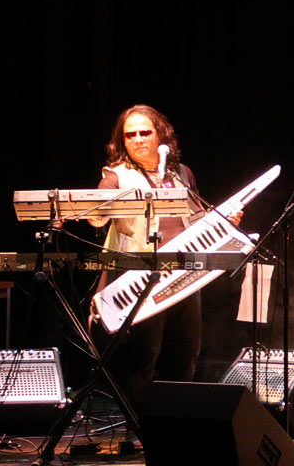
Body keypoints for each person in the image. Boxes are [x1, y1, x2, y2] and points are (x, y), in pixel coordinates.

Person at [87, 104, 236, 411]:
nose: (139, 139)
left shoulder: (181, 173)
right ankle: (140, 429)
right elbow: (95, 218)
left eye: (145, 132)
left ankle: (178, 423)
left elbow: (196, 219)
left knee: (186, 353)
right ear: (122, 141)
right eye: (131, 135)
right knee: (144, 355)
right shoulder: (116, 176)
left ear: (161, 135)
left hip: (183, 273)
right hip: (142, 278)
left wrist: (225, 221)